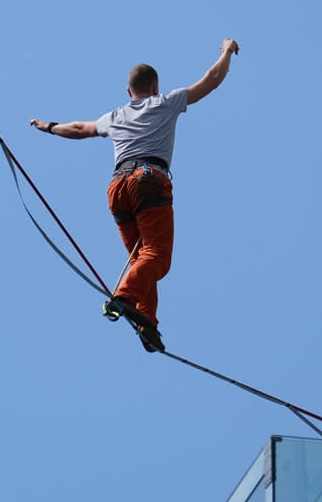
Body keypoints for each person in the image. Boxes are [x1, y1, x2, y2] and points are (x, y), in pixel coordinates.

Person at [30, 38, 239, 352]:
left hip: (117, 191)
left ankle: (147, 322)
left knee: (142, 260)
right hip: (148, 181)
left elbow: (77, 128)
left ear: (130, 93)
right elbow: (211, 81)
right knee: (157, 258)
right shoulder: (165, 102)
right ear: (155, 87)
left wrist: (49, 126)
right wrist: (227, 50)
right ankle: (125, 296)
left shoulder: (115, 116)